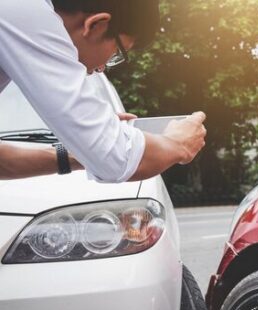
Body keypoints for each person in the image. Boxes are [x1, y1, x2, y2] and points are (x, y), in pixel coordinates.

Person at [0, 0, 206, 181]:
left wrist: (79, 151)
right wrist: (177, 143)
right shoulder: (26, 12)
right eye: (117, 53)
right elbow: (118, 160)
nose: (102, 68)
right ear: (97, 25)